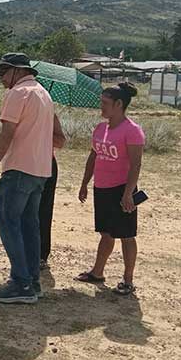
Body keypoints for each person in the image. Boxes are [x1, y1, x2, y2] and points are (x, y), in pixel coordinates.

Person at [0, 53, 54, 304]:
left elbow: (8, 133)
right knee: (29, 225)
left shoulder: (18, 93)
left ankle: (21, 282)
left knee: (6, 221)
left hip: (19, 169)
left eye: (3, 72)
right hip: (40, 170)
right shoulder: (43, 93)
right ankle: (32, 281)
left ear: (16, 71)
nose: (1, 78)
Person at [76, 83, 144, 296]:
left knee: (126, 235)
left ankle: (128, 280)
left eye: (105, 103)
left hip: (121, 189)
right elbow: (93, 156)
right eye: (101, 102)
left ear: (119, 104)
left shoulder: (132, 131)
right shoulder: (100, 128)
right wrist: (85, 183)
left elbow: (135, 165)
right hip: (102, 188)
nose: (101, 107)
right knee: (106, 233)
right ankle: (97, 272)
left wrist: (127, 193)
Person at [0, 114, 66, 271]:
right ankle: (25, 255)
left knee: (41, 212)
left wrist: (40, 132)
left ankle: (40, 256)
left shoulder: (49, 114)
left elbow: (60, 141)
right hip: (20, 165)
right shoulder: (18, 113)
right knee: (22, 214)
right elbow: (7, 140)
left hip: (44, 164)